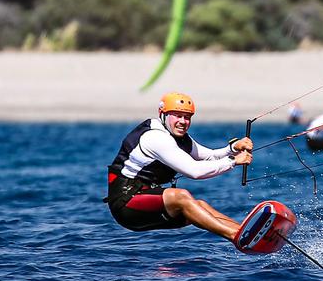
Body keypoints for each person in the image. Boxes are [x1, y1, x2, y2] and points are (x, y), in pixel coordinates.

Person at [104, 92, 254, 242]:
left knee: (199, 207)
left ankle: (246, 234)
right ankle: (235, 236)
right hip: (126, 205)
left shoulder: (179, 137)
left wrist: (233, 147)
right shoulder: (155, 138)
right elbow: (194, 171)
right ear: (162, 114)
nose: (183, 121)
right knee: (180, 197)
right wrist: (233, 161)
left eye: (187, 117)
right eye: (177, 115)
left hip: (146, 199)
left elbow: (209, 156)